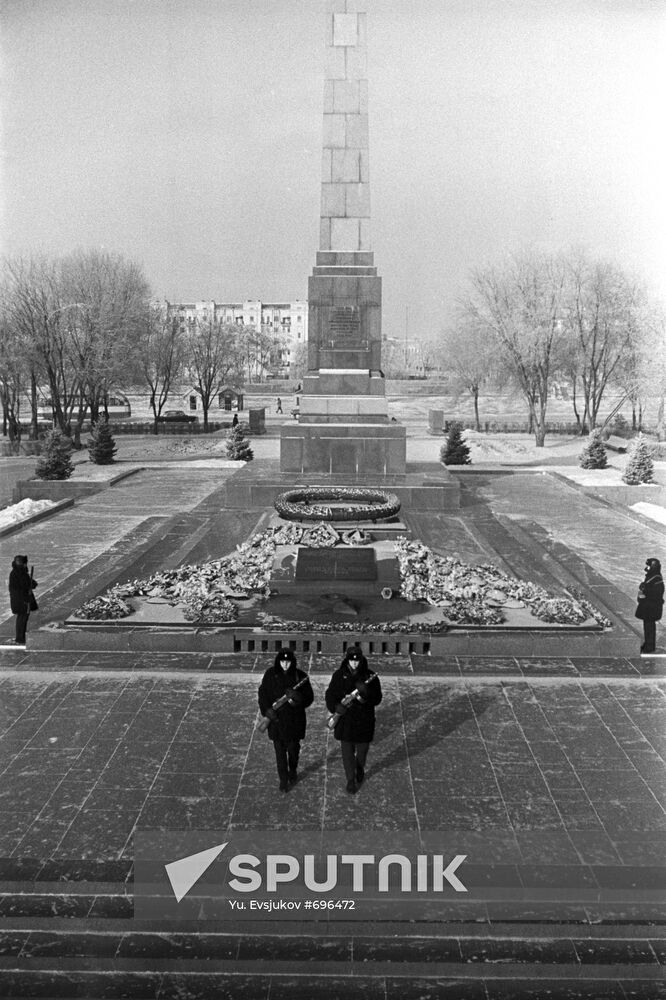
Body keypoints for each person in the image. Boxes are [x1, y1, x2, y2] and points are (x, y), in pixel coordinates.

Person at [325, 643, 382, 794]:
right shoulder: (339, 675)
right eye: (352, 660)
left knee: (362, 752)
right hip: (346, 721)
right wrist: (336, 707)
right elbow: (330, 695)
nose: (354, 663)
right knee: (347, 753)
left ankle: (359, 767)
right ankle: (350, 779)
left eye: (357, 660)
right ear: (347, 660)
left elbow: (377, 698)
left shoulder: (370, 676)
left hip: (364, 721)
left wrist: (365, 695)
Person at [258, 648, 314, 792]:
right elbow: (263, 694)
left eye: (288, 662)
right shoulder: (270, 674)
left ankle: (293, 769)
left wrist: (297, 697)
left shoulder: (300, 677)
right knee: (280, 753)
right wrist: (267, 711)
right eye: (282, 662)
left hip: (294, 723)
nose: (285, 665)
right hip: (276, 722)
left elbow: (309, 698)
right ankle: (283, 779)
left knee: (293, 751)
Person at [635, 557, 664, 654]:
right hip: (649, 607)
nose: (647, 568)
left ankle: (650, 646)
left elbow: (656, 592)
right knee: (647, 626)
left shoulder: (657, 579)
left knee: (649, 627)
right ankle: (648, 644)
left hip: (652, 608)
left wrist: (645, 588)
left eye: (648, 566)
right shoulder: (654, 577)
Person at [8, 555, 38, 646]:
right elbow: (25, 585)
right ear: (23, 564)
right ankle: (20, 638)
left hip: (21, 600)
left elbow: (28, 583)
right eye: (25, 563)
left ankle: (21, 637)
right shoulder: (19, 573)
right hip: (22, 600)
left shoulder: (19, 572)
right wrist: (31, 584)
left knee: (23, 617)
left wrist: (32, 583)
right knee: (22, 618)